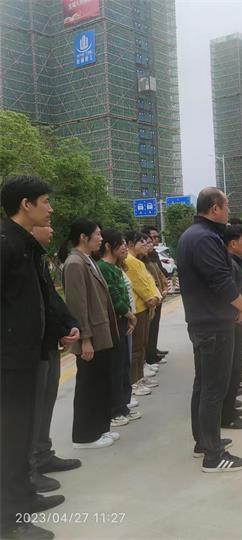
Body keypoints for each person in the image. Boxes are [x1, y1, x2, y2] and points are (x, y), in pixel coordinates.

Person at [1, 176, 79, 539]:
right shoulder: (6, 245)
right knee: (10, 438)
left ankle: (24, 498)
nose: (50, 208)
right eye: (45, 201)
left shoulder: (25, 246)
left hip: (27, 355)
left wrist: (60, 328)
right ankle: (7, 522)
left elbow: (38, 299)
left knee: (21, 436)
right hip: (9, 360)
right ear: (25, 204)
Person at [176, 187, 242, 473]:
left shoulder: (193, 235)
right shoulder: (205, 238)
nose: (229, 211)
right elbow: (220, 280)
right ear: (214, 208)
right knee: (213, 389)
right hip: (214, 324)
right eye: (226, 205)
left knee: (203, 385)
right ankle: (214, 456)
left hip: (203, 322)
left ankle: (204, 442)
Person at [30, 225, 82, 495]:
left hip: (48, 343)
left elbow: (52, 300)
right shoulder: (16, 256)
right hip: (30, 348)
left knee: (47, 400)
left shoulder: (37, 259)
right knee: (32, 408)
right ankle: (28, 468)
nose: (51, 228)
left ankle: (43, 453)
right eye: (46, 223)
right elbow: (30, 308)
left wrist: (67, 325)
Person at [60, 219, 120, 449]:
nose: (101, 238)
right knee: (89, 385)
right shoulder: (75, 263)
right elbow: (78, 305)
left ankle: (99, 429)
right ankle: (85, 436)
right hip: (91, 336)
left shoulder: (88, 260)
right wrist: (85, 339)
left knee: (100, 382)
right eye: (97, 234)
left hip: (100, 333)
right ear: (83, 237)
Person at [97, 230, 142, 427]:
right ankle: (115, 410)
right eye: (121, 243)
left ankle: (123, 405)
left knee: (124, 364)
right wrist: (130, 315)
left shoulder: (115, 267)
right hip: (115, 322)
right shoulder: (103, 268)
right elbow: (114, 296)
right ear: (108, 246)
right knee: (116, 366)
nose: (125, 247)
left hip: (124, 320)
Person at [221, 224, 242, 430]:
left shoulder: (235, 262)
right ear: (232, 243)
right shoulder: (230, 264)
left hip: (239, 322)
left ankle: (230, 407)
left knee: (235, 367)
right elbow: (231, 293)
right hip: (235, 322)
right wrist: (241, 311)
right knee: (232, 369)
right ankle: (227, 415)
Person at [124, 231, 161, 396]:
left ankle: (139, 377)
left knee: (142, 344)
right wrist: (150, 297)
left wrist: (155, 295)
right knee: (136, 347)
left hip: (144, 307)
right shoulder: (130, 261)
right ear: (131, 244)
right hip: (138, 308)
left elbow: (149, 281)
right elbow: (139, 284)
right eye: (141, 243)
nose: (145, 246)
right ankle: (134, 381)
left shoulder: (137, 261)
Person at [142, 226, 169, 366]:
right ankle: (149, 355)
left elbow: (160, 272)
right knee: (149, 328)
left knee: (155, 326)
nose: (154, 241)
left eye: (155, 237)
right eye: (151, 238)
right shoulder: (141, 259)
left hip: (158, 294)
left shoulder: (153, 255)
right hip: (151, 297)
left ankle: (153, 349)